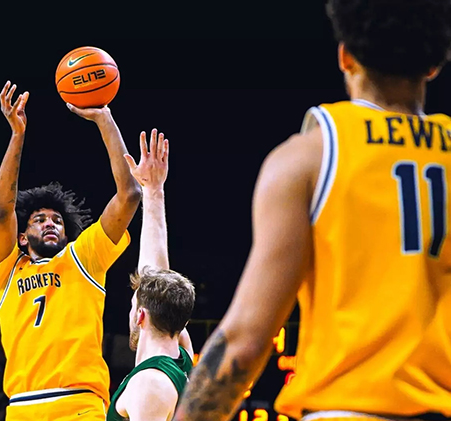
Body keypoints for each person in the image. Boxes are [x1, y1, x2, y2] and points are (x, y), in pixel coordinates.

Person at [173, 1, 451, 420]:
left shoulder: (307, 157)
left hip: (345, 409)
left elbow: (246, 340)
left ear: (345, 55)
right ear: (435, 64)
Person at [0, 81, 142, 420]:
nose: (50, 223)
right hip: (22, 408)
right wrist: (17, 135)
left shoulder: (84, 256)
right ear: (22, 237)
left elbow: (129, 195)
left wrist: (105, 119)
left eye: (56, 219)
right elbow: (2, 211)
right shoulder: (8, 270)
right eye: (39, 219)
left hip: (79, 405)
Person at [106, 130, 196, 421]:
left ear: (141, 317)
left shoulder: (150, 384)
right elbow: (154, 272)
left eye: (134, 303)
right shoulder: (180, 353)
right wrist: (153, 191)